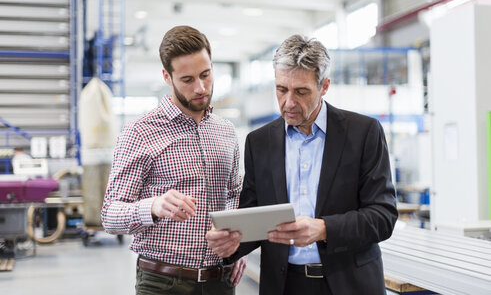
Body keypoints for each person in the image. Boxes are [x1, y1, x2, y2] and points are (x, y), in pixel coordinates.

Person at [206, 34, 398, 295]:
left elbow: (383, 216)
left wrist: (324, 229)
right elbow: (253, 213)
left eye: (301, 91)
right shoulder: (259, 142)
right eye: (281, 89)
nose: (289, 102)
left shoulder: (363, 133)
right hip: (285, 286)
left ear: (324, 86)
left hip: (349, 284)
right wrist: (233, 243)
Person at [101, 25, 246, 295]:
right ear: (167, 76)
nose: (201, 88)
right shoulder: (140, 132)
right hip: (163, 283)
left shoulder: (225, 131)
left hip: (221, 281)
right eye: (187, 80)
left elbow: (234, 195)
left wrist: (240, 245)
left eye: (206, 75)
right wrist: (153, 206)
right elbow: (109, 216)